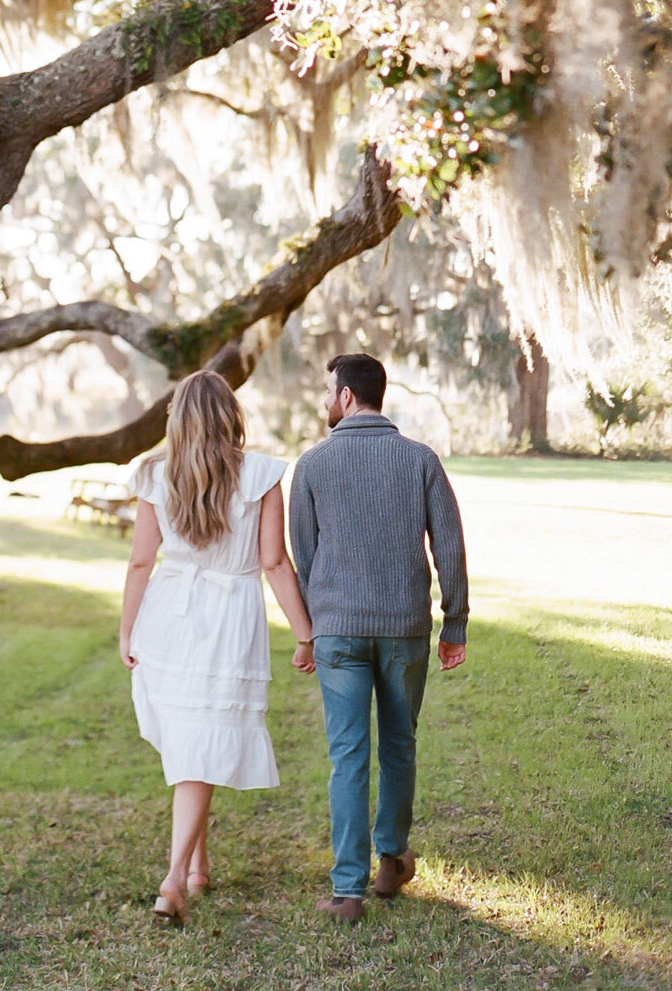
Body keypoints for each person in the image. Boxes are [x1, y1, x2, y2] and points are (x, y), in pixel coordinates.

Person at [119, 369, 316, 925]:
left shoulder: (156, 475)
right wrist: (304, 633)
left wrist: (127, 629)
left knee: (193, 739)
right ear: (231, 415)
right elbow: (274, 562)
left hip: (168, 616)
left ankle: (198, 866)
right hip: (226, 617)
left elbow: (140, 561)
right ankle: (174, 879)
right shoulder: (258, 475)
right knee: (198, 741)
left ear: (176, 419)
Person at [288, 351, 469, 924]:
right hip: (404, 630)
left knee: (348, 757)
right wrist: (454, 622)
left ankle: (348, 891)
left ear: (346, 396)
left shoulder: (312, 465)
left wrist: (314, 629)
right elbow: (451, 547)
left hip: (338, 630)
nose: (324, 401)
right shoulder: (420, 460)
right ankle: (390, 860)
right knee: (398, 745)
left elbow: (305, 559)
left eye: (327, 391)